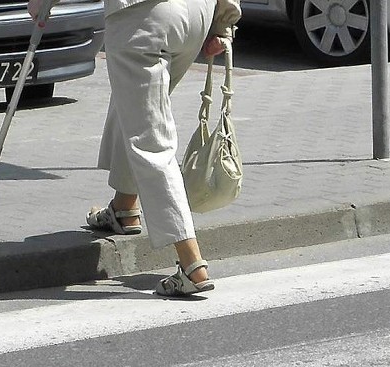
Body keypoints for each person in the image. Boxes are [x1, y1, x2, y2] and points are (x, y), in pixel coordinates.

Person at [27, 0, 241, 296]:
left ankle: (192, 264)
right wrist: (223, 22)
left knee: (151, 141)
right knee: (135, 108)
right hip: (195, 12)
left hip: (141, 16)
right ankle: (124, 207)